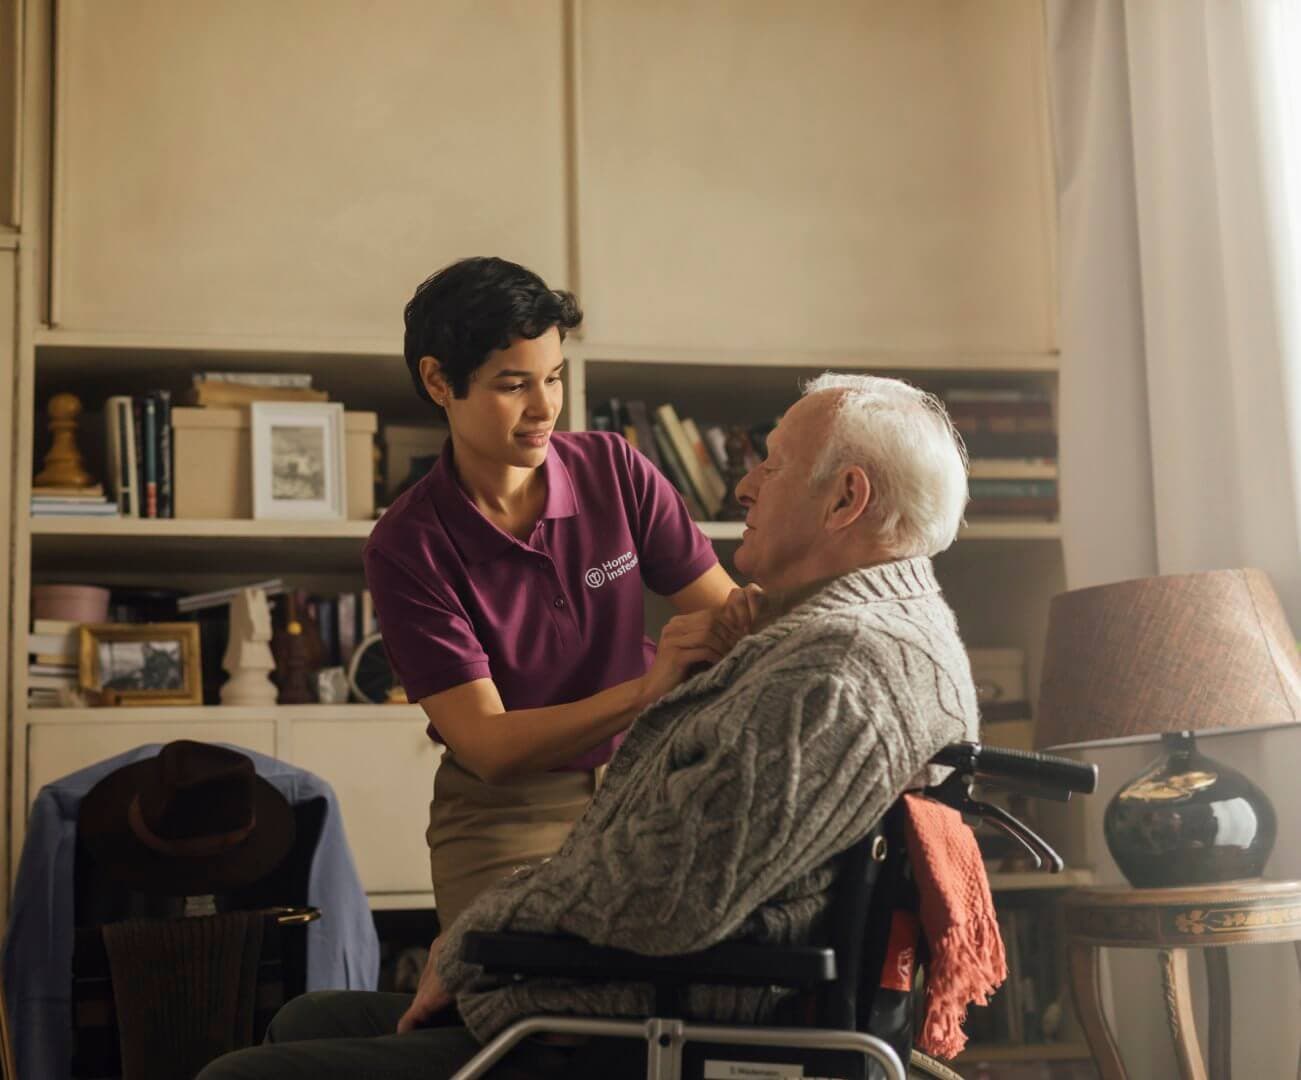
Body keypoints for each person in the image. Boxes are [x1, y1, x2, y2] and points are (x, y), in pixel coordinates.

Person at [199, 373, 979, 1080]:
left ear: (845, 500)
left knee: (243, 1073)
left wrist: (476, 934)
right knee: (307, 1017)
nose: (743, 485)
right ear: (443, 385)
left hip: (672, 1021)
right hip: (673, 973)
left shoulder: (833, 671)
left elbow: (669, 895)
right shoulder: (879, 632)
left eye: (769, 464)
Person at [362, 257, 743, 929]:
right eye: (514, 385)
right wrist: (647, 691)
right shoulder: (408, 545)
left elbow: (733, 621)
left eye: (554, 378)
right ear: (437, 381)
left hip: (651, 782)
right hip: (507, 815)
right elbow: (490, 746)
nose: (544, 408)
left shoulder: (615, 470)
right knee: (509, 1013)